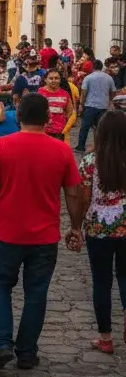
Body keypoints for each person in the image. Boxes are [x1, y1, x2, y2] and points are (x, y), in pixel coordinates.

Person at [0, 93, 83, 370]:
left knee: (0, 286)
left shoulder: (1, 147)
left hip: (7, 233)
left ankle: (2, 343)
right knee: (36, 293)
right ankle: (26, 351)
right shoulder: (62, 151)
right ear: (48, 118)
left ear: (18, 116)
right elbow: (73, 194)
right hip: (45, 237)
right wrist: (75, 226)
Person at [79, 112, 126, 353]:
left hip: (98, 227)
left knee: (101, 281)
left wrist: (76, 226)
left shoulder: (89, 162)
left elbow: (83, 198)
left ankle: (106, 337)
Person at [76, 58, 117, 152]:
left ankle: (81, 146)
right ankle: (100, 146)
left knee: (85, 127)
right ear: (102, 67)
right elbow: (113, 92)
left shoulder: (88, 77)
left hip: (90, 105)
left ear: (93, 67)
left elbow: (84, 92)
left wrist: (81, 105)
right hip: (103, 106)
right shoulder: (109, 77)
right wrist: (109, 99)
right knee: (101, 127)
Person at [37, 68, 76, 141]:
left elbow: (69, 111)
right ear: (45, 80)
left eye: (56, 78)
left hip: (59, 131)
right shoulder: (40, 92)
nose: (54, 80)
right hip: (43, 131)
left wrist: (62, 121)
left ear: (60, 80)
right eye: (51, 78)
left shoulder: (65, 93)